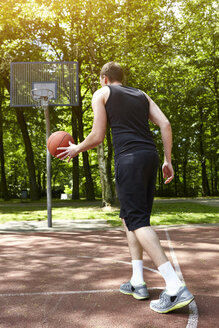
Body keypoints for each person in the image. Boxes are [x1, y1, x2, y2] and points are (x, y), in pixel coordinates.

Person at [57, 62, 194, 313]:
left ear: (104, 78)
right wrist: (167, 160)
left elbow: (98, 136)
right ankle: (137, 280)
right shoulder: (142, 94)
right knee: (128, 218)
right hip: (149, 156)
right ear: (122, 78)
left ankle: (174, 286)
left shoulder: (102, 93)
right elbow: (165, 124)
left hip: (128, 158)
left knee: (138, 221)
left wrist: (77, 147)